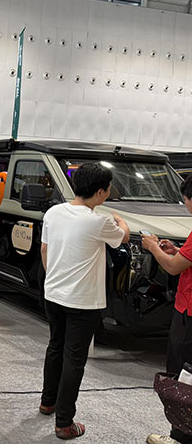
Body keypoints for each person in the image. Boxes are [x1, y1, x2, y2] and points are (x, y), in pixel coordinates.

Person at [39, 162, 129, 440]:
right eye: (109, 188)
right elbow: (123, 238)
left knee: (55, 347)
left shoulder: (54, 212)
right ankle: (64, 423)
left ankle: (48, 402)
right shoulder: (99, 221)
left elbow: (45, 250)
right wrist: (122, 221)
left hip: (53, 294)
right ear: (100, 192)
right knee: (74, 359)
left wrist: (55, 279)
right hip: (83, 302)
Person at [141, 174, 192, 444]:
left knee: (183, 376)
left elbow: (173, 267)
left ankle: (180, 436)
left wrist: (153, 247)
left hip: (189, 314)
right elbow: (184, 259)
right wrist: (178, 250)